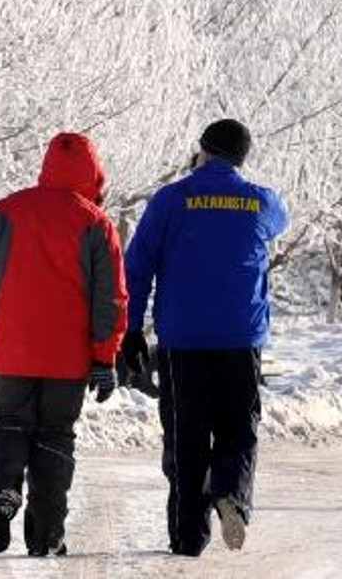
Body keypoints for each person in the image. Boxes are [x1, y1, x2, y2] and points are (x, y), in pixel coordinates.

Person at [0, 132, 128, 558]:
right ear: (94, 173)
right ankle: (47, 534)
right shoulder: (96, 224)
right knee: (54, 438)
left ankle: (1, 494)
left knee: (6, 426)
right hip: (69, 362)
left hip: (12, 355)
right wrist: (105, 358)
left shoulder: (7, 211)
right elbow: (112, 299)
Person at [122, 118, 289, 557]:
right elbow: (281, 219)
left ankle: (188, 536)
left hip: (184, 340)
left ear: (203, 151)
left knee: (186, 435)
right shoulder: (261, 203)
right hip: (240, 338)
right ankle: (232, 491)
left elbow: (136, 269)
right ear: (241, 158)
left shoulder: (170, 201)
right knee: (238, 427)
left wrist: (131, 329)